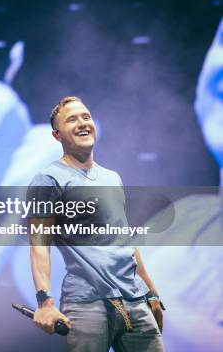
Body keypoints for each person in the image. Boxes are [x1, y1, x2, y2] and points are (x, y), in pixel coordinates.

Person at [28, 96, 164, 351]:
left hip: (135, 301)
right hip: (86, 304)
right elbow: (39, 245)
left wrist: (151, 292)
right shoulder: (48, 179)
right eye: (72, 119)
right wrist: (44, 301)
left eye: (86, 117)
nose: (82, 123)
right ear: (57, 135)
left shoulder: (112, 178)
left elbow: (125, 241)